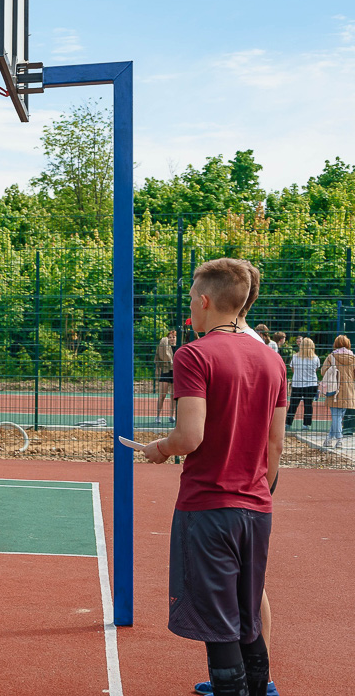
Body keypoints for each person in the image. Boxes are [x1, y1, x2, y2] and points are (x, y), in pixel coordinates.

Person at [141, 258, 286, 696]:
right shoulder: (271, 360)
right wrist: (259, 490)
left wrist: (159, 449)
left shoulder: (195, 353)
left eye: (191, 299)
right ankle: (259, 688)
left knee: (217, 620)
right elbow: (274, 445)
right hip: (256, 506)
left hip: (209, 506)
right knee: (247, 612)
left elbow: (189, 435)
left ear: (204, 301)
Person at [320, 335, 355, 449]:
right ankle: (329, 439)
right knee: (339, 416)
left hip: (334, 389)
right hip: (348, 390)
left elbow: (322, 371)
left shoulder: (331, 357)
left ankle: (339, 439)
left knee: (336, 415)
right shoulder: (353, 358)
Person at [284, 337, 320, 432]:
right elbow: (316, 370)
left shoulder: (295, 357)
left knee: (293, 405)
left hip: (297, 384)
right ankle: (306, 425)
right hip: (311, 384)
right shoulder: (315, 358)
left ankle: (288, 423)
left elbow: (293, 369)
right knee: (308, 405)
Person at [155, 330, 177, 423]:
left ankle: (171, 416)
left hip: (175, 372)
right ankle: (158, 416)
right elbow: (158, 357)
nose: (171, 339)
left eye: (173, 337)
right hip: (166, 371)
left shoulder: (180, 347)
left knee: (173, 396)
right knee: (162, 395)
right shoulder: (164, 347)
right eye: (170, 337)